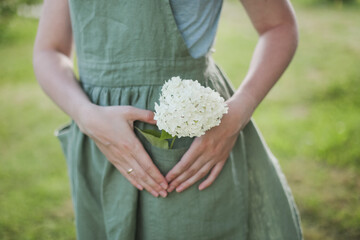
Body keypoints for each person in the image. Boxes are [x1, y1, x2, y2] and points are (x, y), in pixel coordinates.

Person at [33, 0, 303, 239]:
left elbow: (278, 25)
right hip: (98, 145)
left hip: (192, 151)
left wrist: (240, 110)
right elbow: (49, 49)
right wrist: (84, 114)